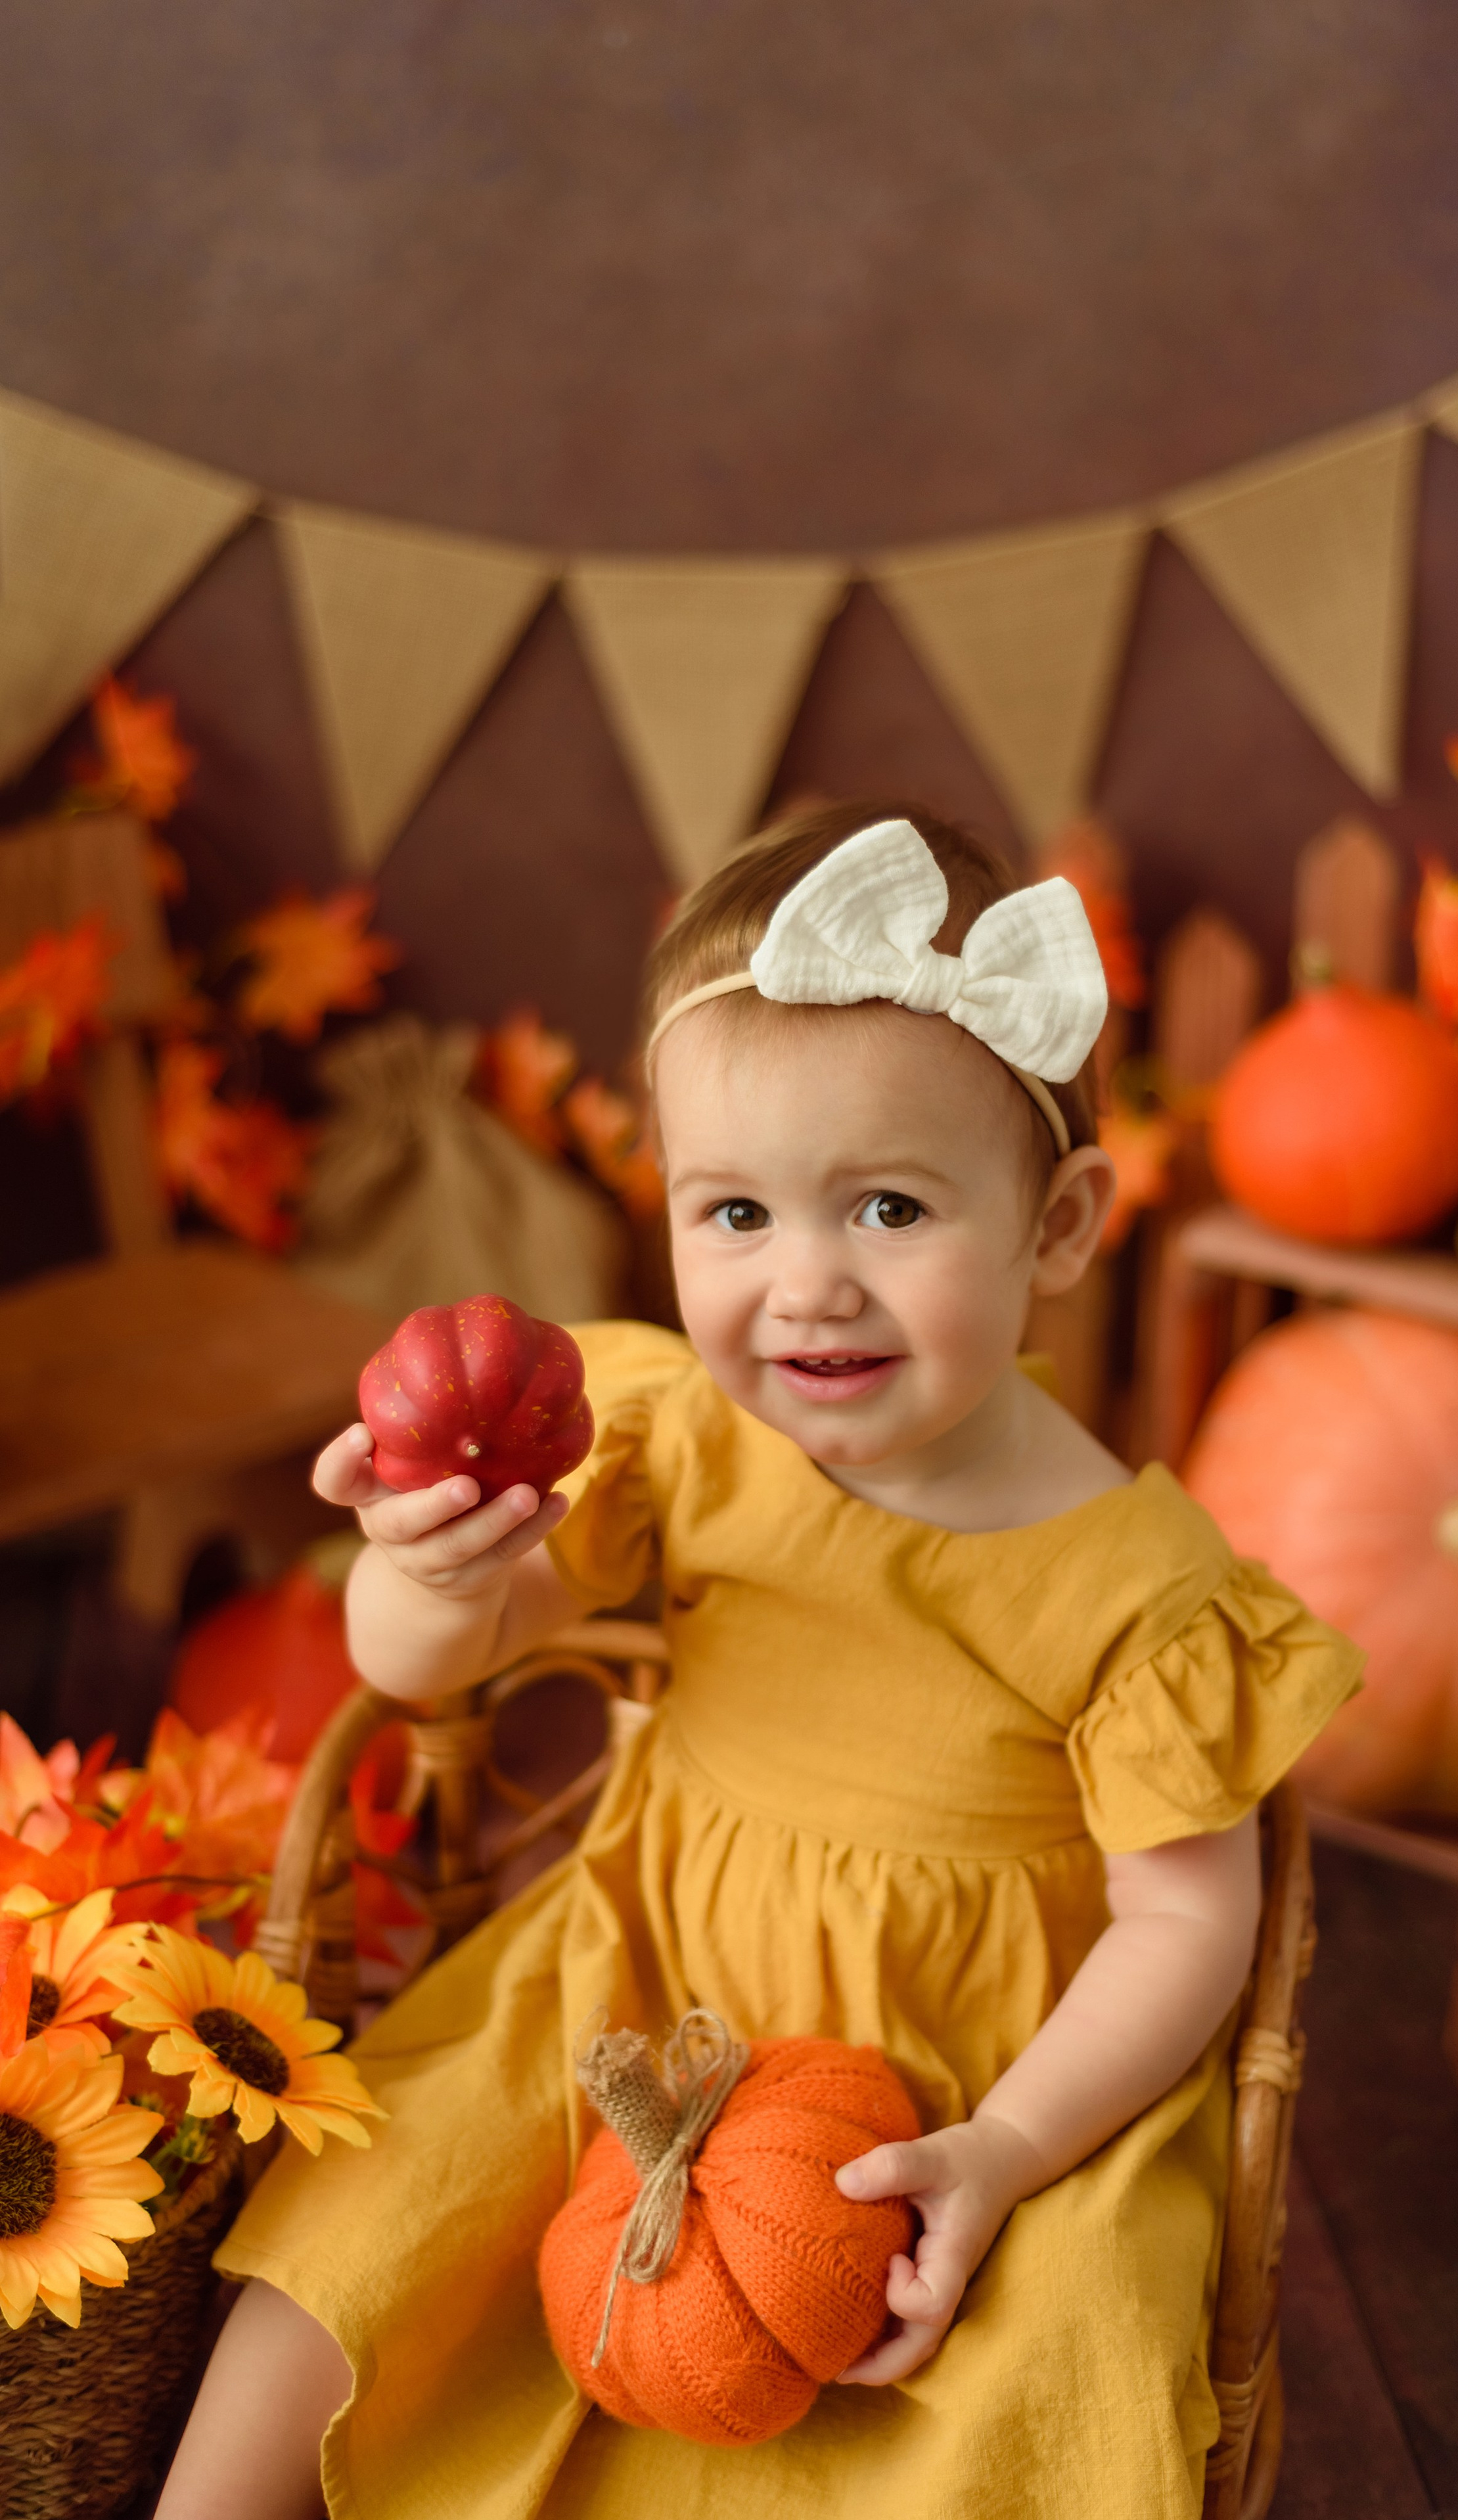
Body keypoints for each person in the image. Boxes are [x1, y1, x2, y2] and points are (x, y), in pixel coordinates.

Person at [161, 802, 1360, 2520]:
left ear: (1062, 1224)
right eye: (732, 1211)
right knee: (383, 2200)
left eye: (887, 1205)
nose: (806, 1286)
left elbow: (1190, 1923)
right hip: (646, 1989)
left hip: (975, 2080)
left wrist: (1006, 2154)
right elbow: (445, 1661)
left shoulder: (1145, 1590)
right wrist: (431, 1569)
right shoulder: (674, 1441)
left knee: (1066, 2353)